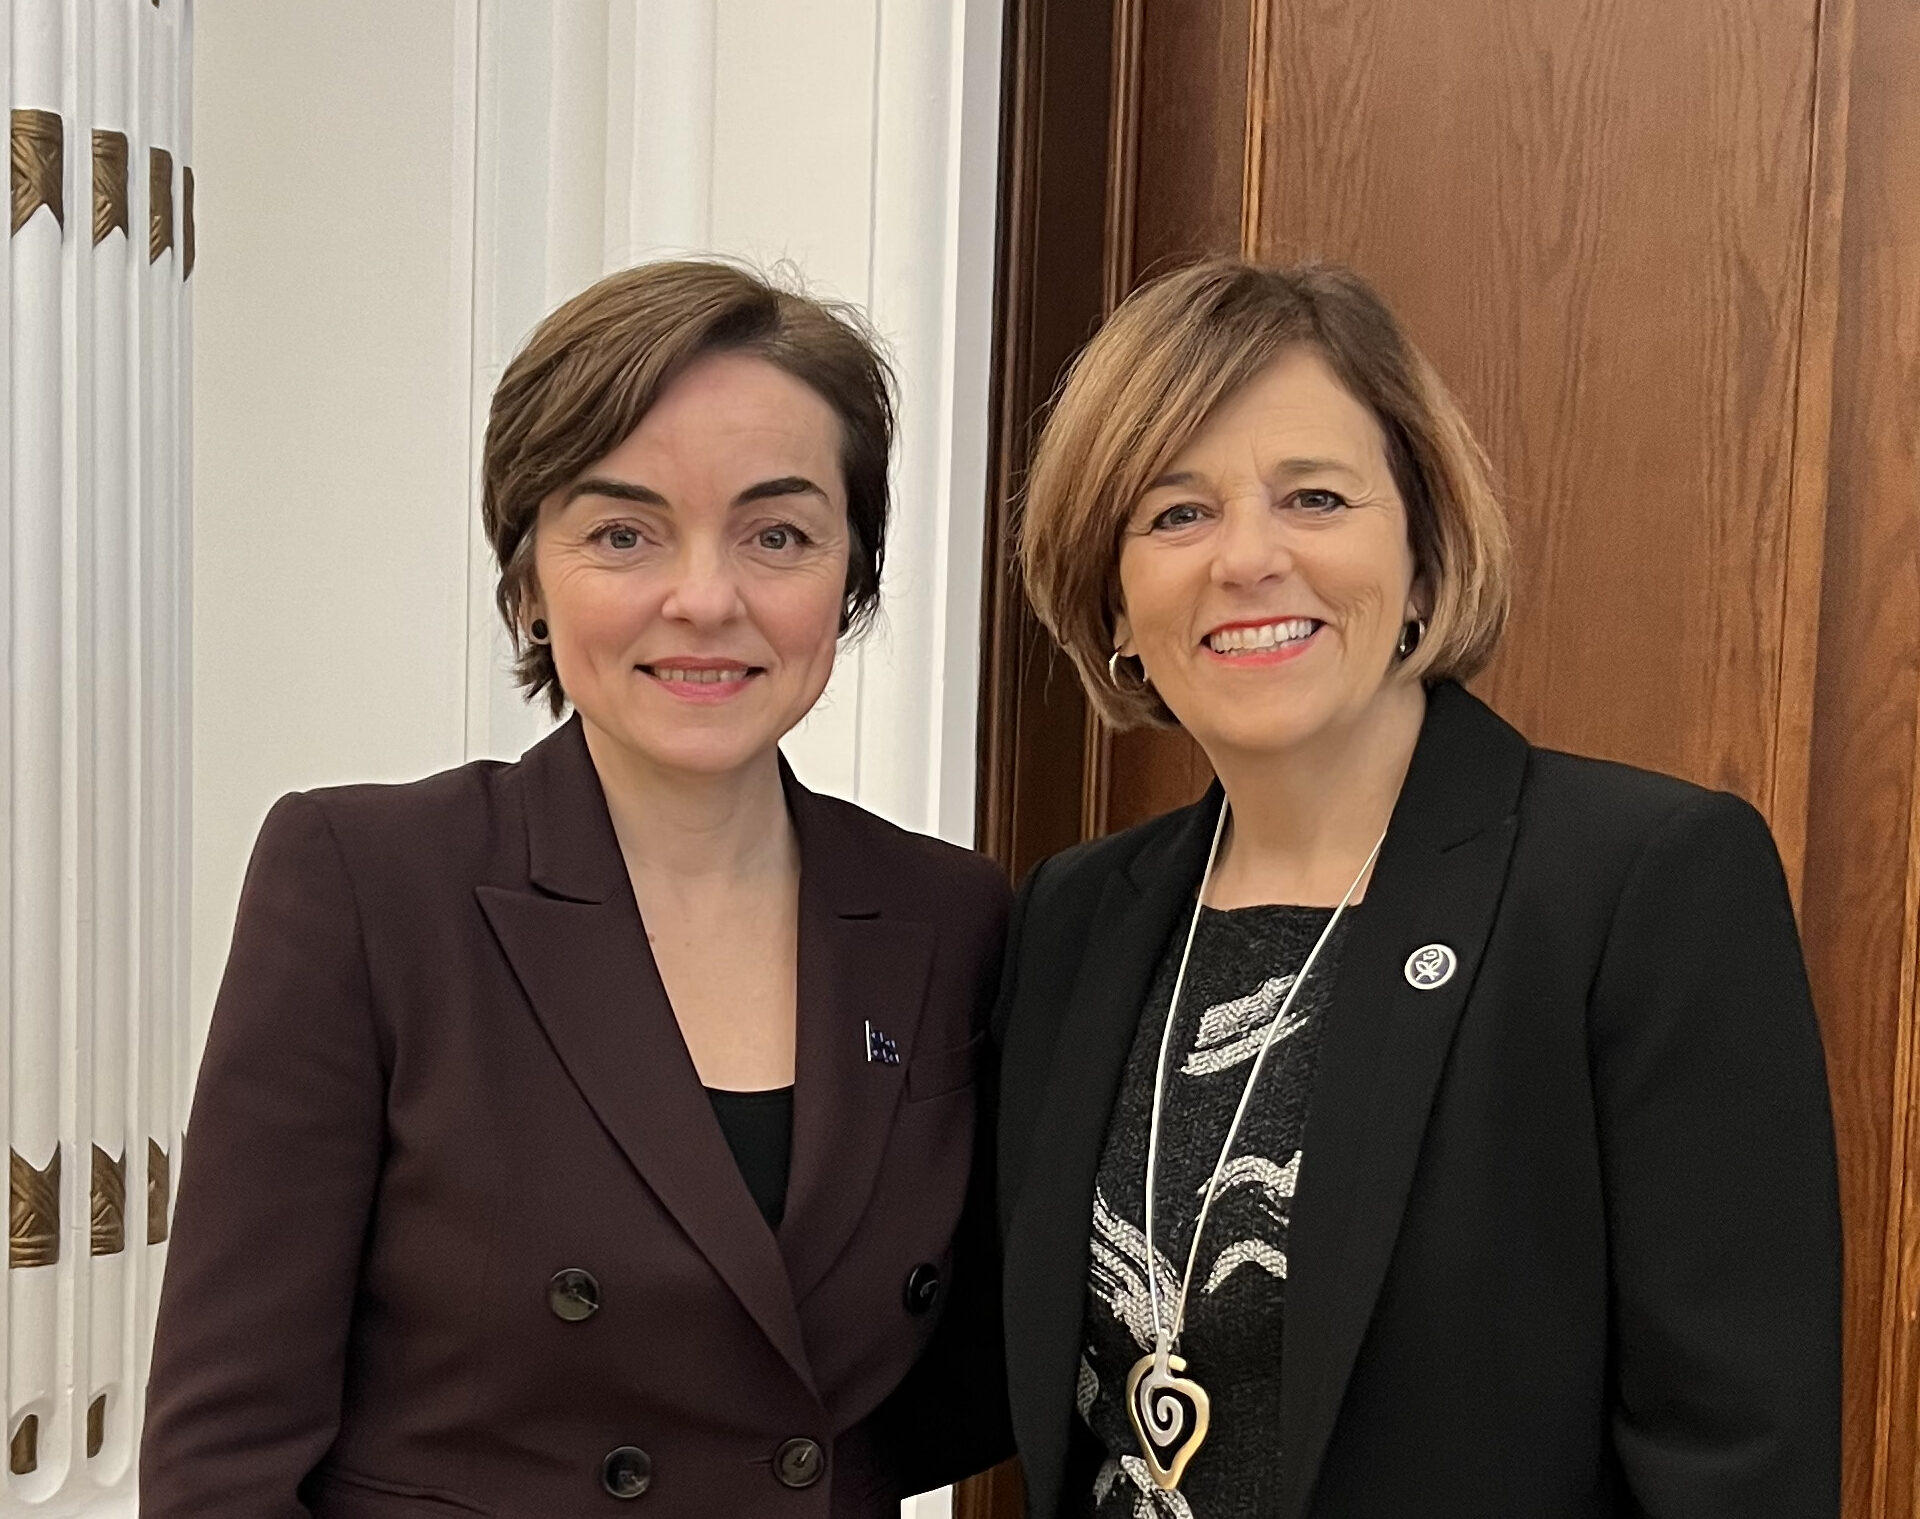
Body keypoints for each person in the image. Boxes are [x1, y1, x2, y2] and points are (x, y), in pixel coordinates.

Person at [142, 260, 1010, 1517]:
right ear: (529, 579)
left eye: (778, 534)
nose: (705, 598)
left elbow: (947, 1383)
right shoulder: (368, 884)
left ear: (851, 577)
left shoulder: (952, 917)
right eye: (623, 533)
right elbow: (224, 1454)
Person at [995, 258, 1841, 1518]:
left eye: (1316, 496)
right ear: (1114, 596)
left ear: (1425, 549)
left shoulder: (1637, 883)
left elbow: (1740, 1458)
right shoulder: (1074, 916)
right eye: (1175, 514)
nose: (1248, 559)